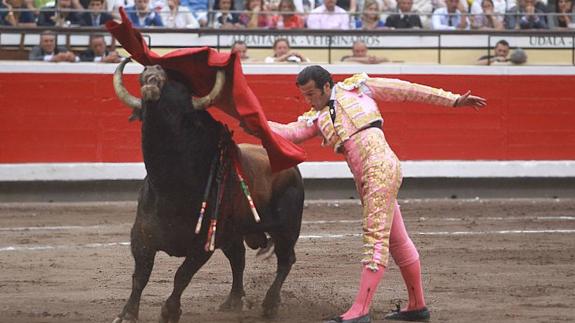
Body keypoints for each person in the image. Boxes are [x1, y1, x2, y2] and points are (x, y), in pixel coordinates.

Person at [243, 65, 486, 323]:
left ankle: (360, 310)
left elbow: (406, 90)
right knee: (397, 240)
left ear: (327, 86)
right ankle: (417, 306)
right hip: (366, 178)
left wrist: (453, 100)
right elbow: (291, 132)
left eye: (312, 94)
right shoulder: (318, 117)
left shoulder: (357, 88)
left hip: (379, 166)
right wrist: (258, 124)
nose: (309, 100)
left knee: (375, 239)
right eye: (304, 96)